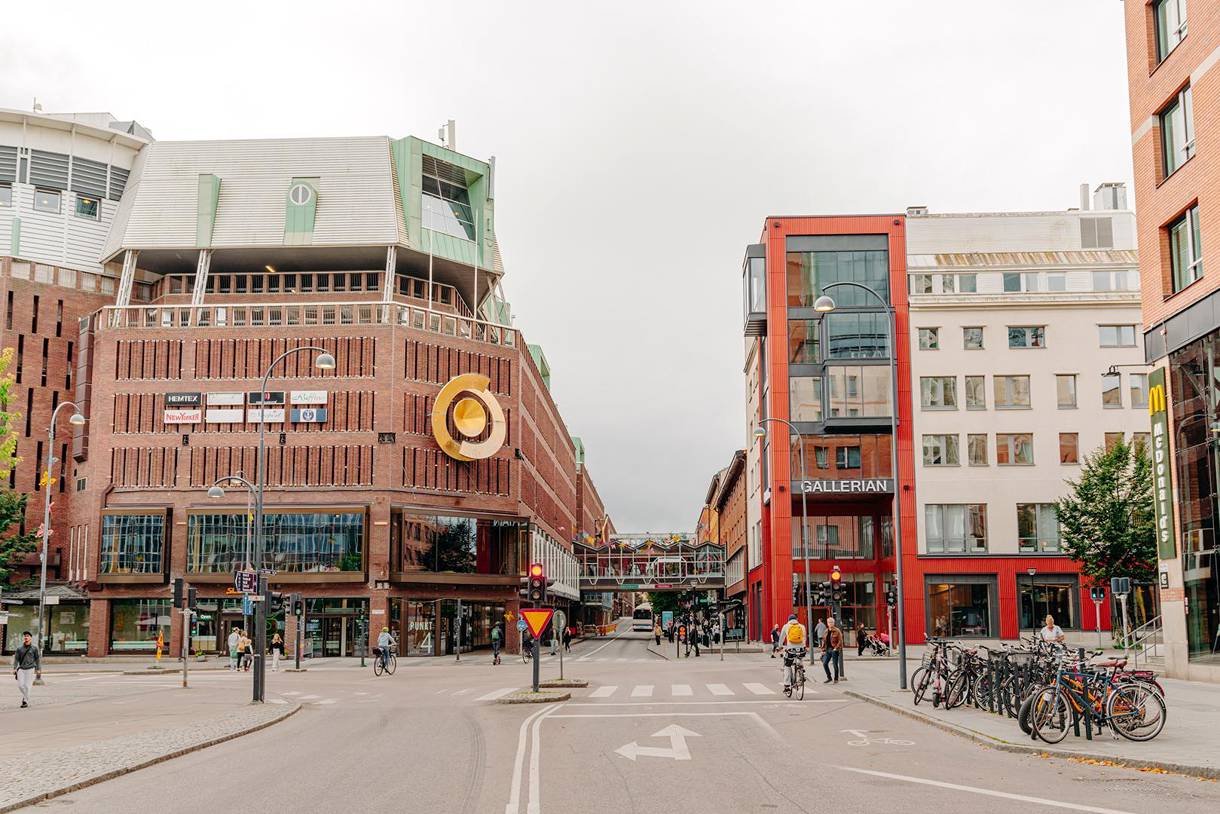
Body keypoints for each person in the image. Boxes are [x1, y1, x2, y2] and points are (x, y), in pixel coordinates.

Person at [777, 614, 808, 691]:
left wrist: (780, 646)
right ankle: (801, 670)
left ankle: (787, 686)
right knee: (800, 657)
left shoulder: (786, 626)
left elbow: (781, 638)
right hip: (801, 650)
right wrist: (803, 646)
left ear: (789, 620)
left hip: (791, 650)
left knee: (787, 666)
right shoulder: (802, 626)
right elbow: (804, 637)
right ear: (796, 619)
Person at [13, 631, 40, 708]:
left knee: (27, 686)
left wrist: (38, 669)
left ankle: (25, 701)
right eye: (25, 636)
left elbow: (37, 659)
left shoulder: (34, 648)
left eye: (27, 636)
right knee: (21, 686)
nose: (26, 637)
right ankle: (26, 697)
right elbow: (16, 659)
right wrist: (15, 668)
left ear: (30, 638)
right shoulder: (19, 649)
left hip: (30, 669)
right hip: (21, 669)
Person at [821, 618, 844, 684]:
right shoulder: (826, 631)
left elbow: (840, 641)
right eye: (829, 622)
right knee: (824, 663)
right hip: (828, 650)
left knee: (835, 665)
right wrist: (823, 650)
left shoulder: (837, 631)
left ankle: (836, 679)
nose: (830, 623)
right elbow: (824, 641)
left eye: (831, 622)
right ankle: (829, 677)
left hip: (834, 650)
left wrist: (836, 648)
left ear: (833, 623)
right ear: (827, 623)